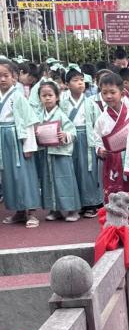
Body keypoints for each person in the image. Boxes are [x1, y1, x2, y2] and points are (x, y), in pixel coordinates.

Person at [0, 60, 41, 228]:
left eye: (5, 76)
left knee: (24, 176)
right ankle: (18, 211)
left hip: (18, 140)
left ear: (14, 77)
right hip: (3, 140)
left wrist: (28, 146)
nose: (2, 79)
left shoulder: (19, 97)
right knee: (9, 177)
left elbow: (29, 122)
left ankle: (31, 212)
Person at [36, 81, 82, 222]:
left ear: (57, 97)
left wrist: (65, 135)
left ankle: (73, 210)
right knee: (48, 181)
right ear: (39, 98)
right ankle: (54, 210)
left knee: (65, 181)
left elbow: (72, 130)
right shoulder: (38, 115)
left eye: (50, 95)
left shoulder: (61, 114)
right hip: (46, 153)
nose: (47, 98)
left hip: (60, 153)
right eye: (44, 95)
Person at [61, 68, 103, 217]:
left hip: (87, 138)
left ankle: (91, 203)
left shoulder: (91, 103)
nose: (80, 83)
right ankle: (76, 202)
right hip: (70, 139)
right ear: (67, 84)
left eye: (81, 80)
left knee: (88, 171)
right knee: (73, 170)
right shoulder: (63, 103)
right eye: (75, 80)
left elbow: (98, 124)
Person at [94, 72, 129, 201]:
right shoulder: (101, 119)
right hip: (111, 161)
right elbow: (97, 139)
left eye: (112, 92)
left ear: (122, 93)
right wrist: (100, 150)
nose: (108, 96)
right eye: (104, 93)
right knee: (114, 194)